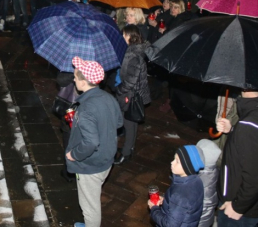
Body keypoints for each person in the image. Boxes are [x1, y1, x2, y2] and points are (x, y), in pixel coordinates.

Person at [66, 57, 123, 227]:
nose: (74, 79)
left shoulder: (86, 107)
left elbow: (90, 142)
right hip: (107, 158)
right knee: (94, 195)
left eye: (76, 77)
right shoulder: (108, 97)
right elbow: (118, 123)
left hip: (90, 164)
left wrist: (74, 155)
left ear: (84, 82)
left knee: (90, 206)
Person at [216, 89, 258, 227]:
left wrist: (238, 207)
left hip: (238, 206)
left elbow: (256, 177)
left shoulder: (251, 125)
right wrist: (233, 130)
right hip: (253, 203)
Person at [114, 25, 151, 164]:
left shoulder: (134, 55)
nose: (122, 37)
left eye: (124, 35)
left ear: (130, 36)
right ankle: (129, 147)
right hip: (132, 93)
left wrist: (119, 90)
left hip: (129, 94)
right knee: (132, 122)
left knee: (128, 123)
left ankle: (126, 153)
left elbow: (130, 81)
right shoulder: (133, 51)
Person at [149, 145, 205, 227]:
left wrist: (154, 209)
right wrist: (166, 201)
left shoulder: (180, 195)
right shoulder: (196, 180)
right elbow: (183, 207)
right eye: (174, 159)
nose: (172, 162)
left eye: (177, 161)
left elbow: (170, 225)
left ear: (187, 167)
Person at [196, 139, 221, 227]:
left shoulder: (203, 179)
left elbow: (204, 204)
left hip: (199, 220)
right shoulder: (213, 170)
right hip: (207, 216)